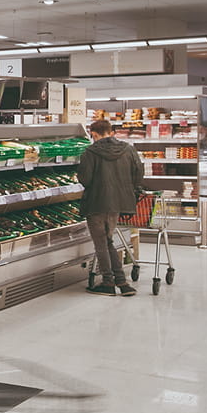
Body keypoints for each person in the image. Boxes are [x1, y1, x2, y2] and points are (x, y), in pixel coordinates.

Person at [76, 119, 145, 296]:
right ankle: (122, 282)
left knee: (101, 243)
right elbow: (139, 172)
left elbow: (85, 179)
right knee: (107, 240)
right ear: (111, 132)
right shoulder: (128, 149)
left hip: (97, 202)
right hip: (118, 202)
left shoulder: (90, 152)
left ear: (95, 134)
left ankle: (108, 282)